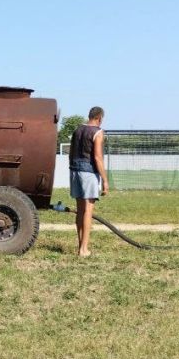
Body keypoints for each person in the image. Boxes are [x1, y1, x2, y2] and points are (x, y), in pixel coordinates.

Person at [69, 106, 110, 257]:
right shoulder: (98, 132)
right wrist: (105, 180)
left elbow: (71, 153)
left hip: (74, 170)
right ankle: (83, 249)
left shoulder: (77, 130)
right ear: (99, 118)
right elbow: (98, 158)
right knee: (88, 210)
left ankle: (80, 245)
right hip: (88, 173)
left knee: (80, 210)